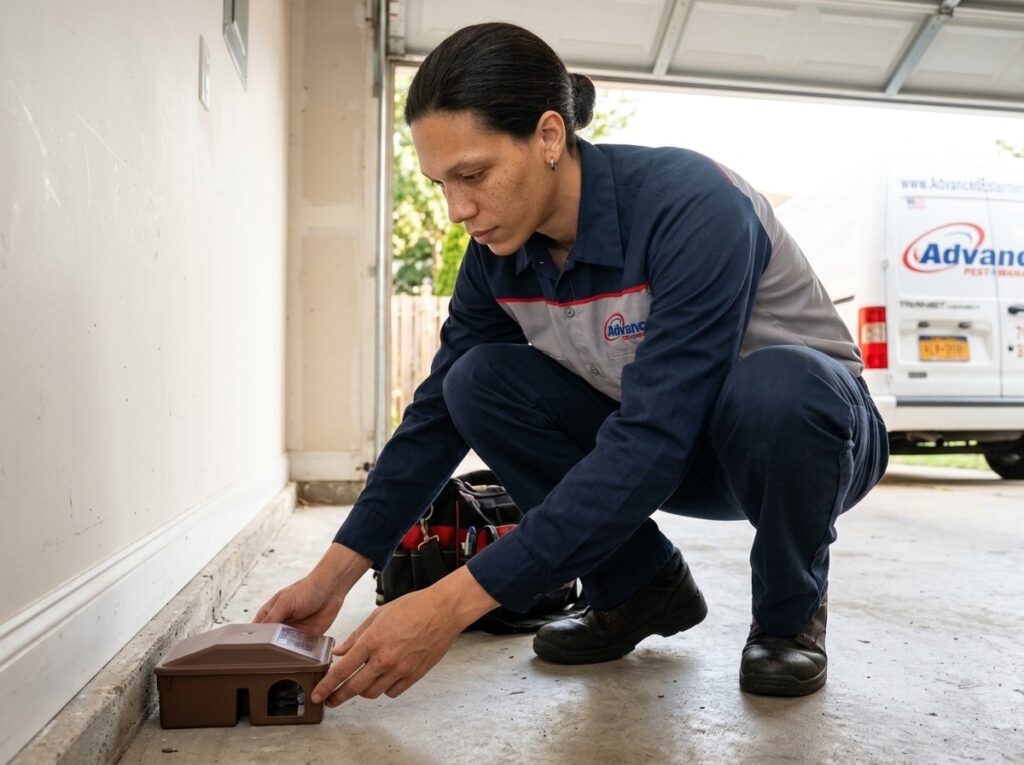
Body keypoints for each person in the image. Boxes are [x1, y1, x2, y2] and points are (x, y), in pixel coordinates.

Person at [255, 21, 889, 705]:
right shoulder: (495, 258)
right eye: (441, 183)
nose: (457, 209)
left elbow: (655, 435)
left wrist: (449, 604)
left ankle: (788, 620)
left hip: (801, 441)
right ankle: (641, 587)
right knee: (476, 382)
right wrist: (334, 574)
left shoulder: (692, 205)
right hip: (671, 453)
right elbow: (436, 417)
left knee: (777, 385)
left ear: (550, 137)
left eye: (472, 175)